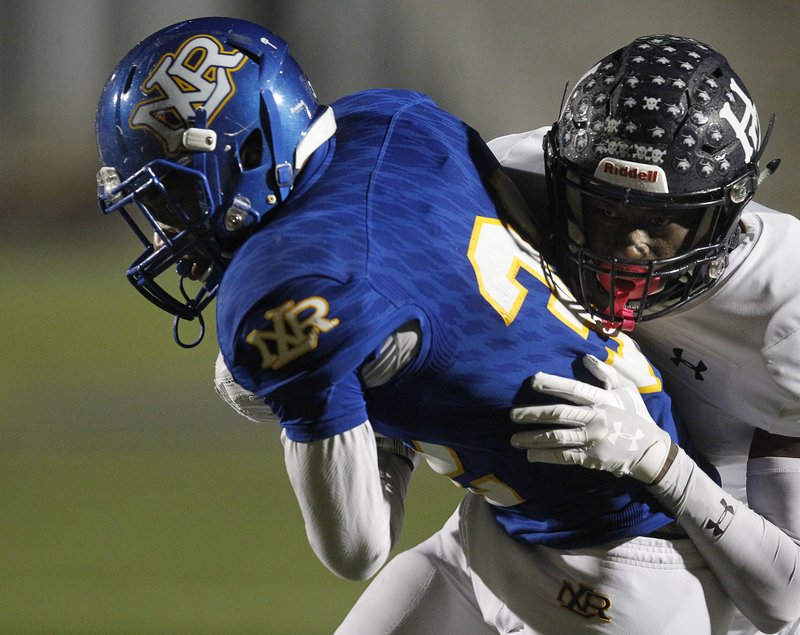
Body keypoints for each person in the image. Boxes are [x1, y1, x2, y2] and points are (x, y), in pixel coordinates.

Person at [97, 18, 734, 634]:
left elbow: (357, 548)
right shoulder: (384, 117)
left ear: (251, 151)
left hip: (623, 570)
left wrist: (369, 406)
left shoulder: (283, 287)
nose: (166, 229)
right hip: (518, 525)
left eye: (168, 199)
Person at [490, 34, 800, 635]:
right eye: (606, 210)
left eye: (659, 221)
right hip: (522, 528)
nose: (628, 246)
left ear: (725, 212)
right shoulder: (515, 182)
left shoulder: (784, 305)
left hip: (692, 587)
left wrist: (660, 463)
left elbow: (787, 602)